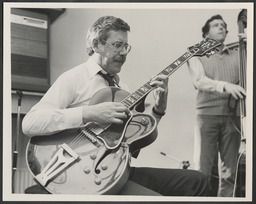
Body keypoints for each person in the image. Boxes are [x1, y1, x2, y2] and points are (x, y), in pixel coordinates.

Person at [22, 15, 208, 196]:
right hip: (77, 171)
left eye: (126, 46)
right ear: (96, 45)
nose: (123, 52)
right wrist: (89, 113)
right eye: (117, 45)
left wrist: (158, 110)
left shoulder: (121, 90)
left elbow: (132, 142)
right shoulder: (74, 78)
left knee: (196, 180)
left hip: (113, 168)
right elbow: (30, 123)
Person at [187, 14, 246, 197]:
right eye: (215, 25)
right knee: (202, 168)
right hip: (207, 116)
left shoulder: (239, 53)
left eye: (223, 25)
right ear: (206, 34)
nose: (221, 27)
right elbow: (199, 81)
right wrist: (225, 86)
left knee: (230, 170)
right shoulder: (194, 53)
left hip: (233, 115)